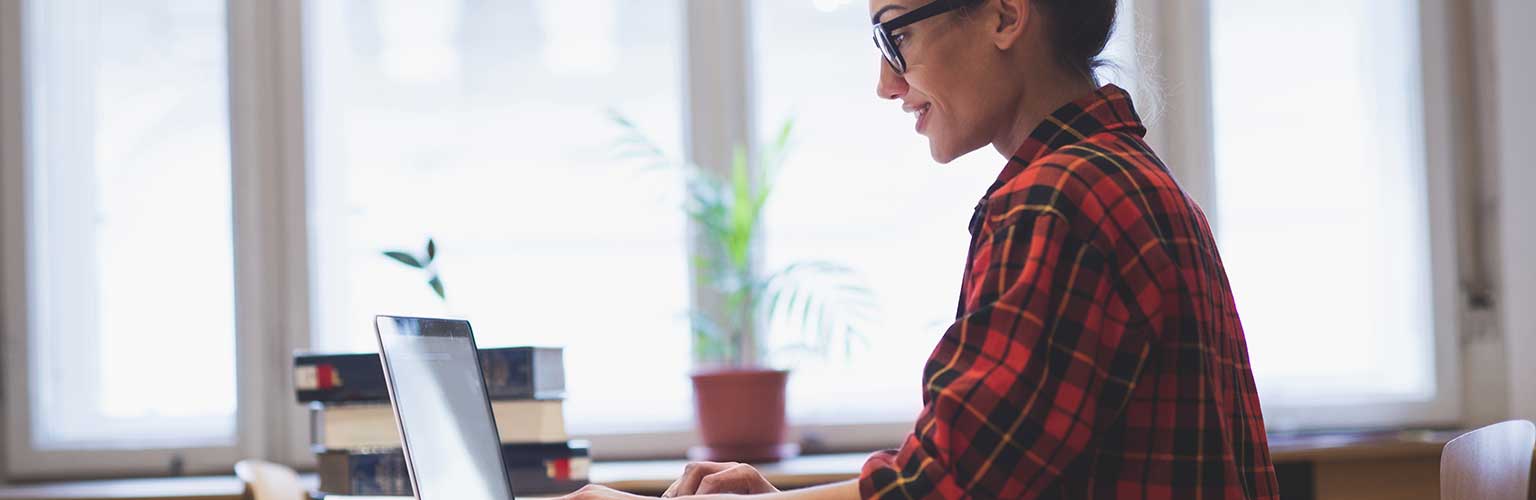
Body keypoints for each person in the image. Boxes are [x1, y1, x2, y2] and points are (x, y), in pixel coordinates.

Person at [561, 0, 1278, 498]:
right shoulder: (1122, 177)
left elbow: (949, 487)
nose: (886, 83)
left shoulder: (1059, 199)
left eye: (894, 37)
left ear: (1004, 15)